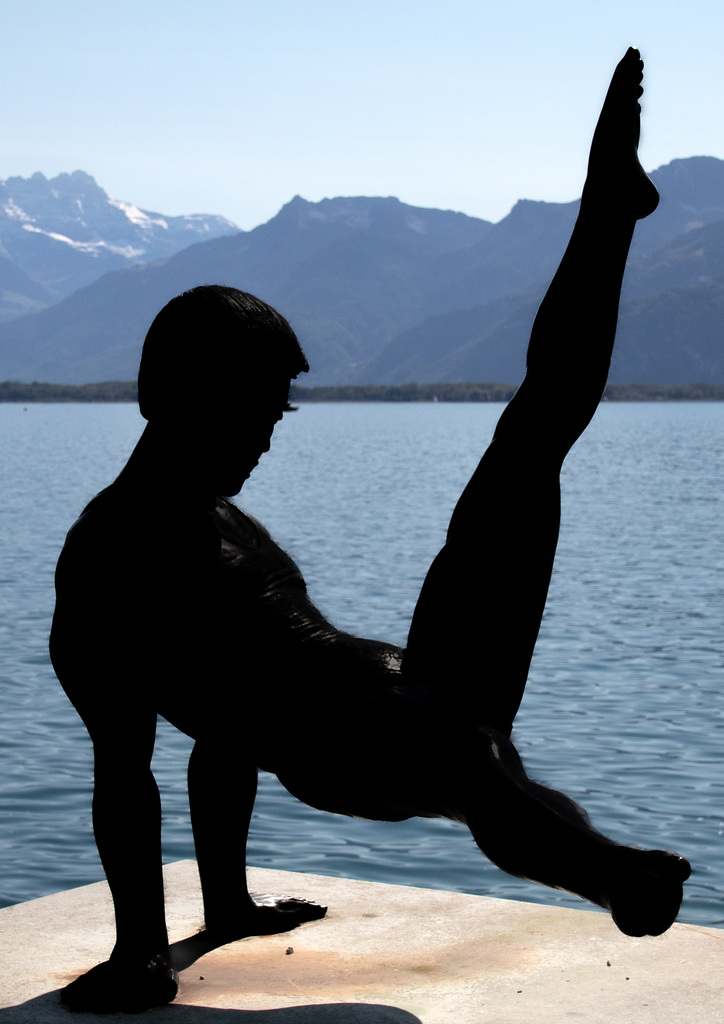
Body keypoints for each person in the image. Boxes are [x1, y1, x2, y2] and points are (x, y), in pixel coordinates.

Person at [50, 48, 690, 1014]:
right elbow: (125, 769)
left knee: (535, 433)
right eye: (245, 415)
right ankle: (614, 875)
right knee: (468, 765)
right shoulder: (108, 560)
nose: (263, 441)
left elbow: (216, 737)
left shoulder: (223, 520)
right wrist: (142, 949)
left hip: (418, 676)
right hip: (345, 751)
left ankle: (606, 216)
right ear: (161, 397)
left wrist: (227, 906)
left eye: (275, 418)